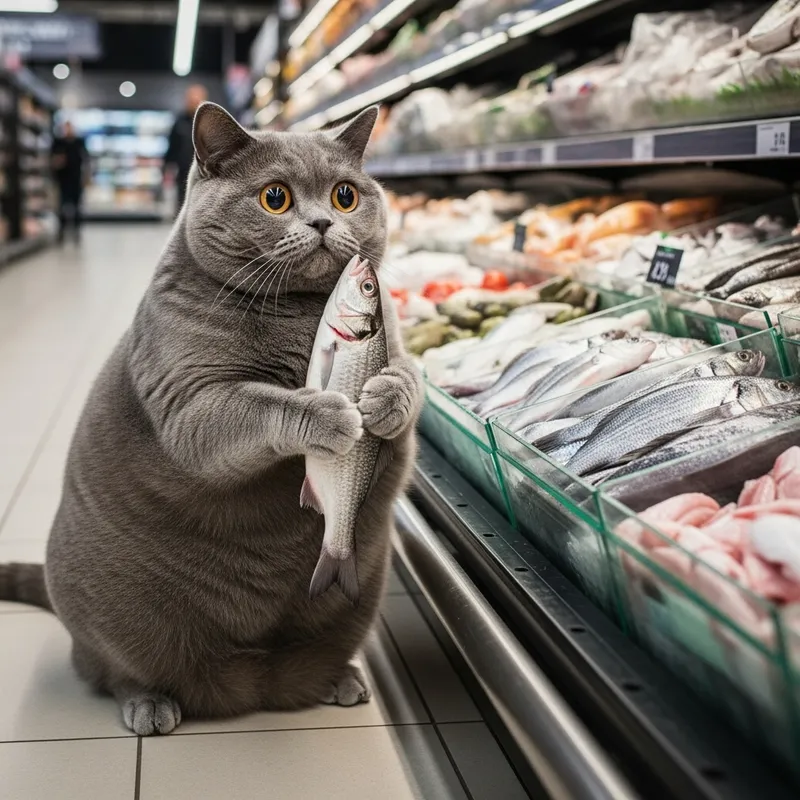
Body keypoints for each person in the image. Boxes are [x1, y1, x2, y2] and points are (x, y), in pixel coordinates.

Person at [164, 84, 208, 216]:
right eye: (191, 100)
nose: (194, 103)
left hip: (206, 173)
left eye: (197, 100)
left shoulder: (211, 123)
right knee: (182, 207)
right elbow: (172, 147)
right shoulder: (179, 122)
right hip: (183, 173)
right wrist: (166, 168)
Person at [51, 120, 88, 243]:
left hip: (76, 179)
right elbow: (52, 160)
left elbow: (85, 159)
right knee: (62, 207)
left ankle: (76, 231)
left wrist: (86, 177)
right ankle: (61, 231)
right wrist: (57, 162)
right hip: (63, 180)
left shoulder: (79, 142)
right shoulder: (58, 143)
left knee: (77, 207)